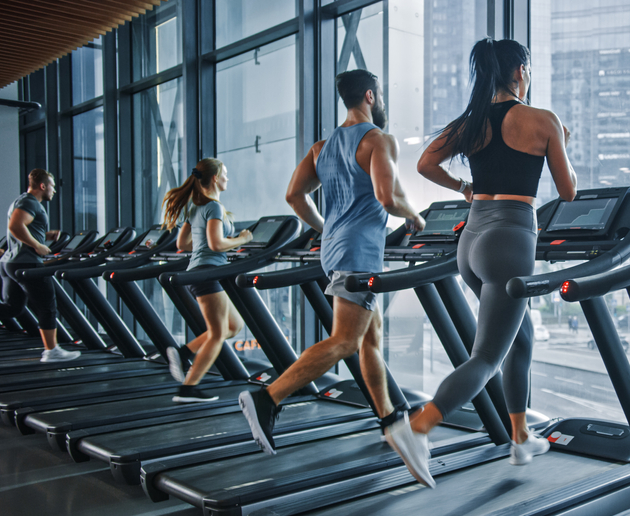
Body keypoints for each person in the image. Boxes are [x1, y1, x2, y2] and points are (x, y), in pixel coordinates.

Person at [383, 37, 577, 488]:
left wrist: (464, 188)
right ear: (518, 71)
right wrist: (561, 143)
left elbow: (426, 163)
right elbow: (568, 193)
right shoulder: (543, 120)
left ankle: (520, 436)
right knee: (488, 355)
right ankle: (417, 429)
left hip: (471, 241)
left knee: (519, 338)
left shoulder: (471, 123)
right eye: (525, 70)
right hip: (510, 238)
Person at [239, 69, 426, 455]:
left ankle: (390, 418)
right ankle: (267, 399)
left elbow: (294, 196)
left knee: (367, 338)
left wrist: (326, 228)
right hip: (359, 254)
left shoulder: (321, 148)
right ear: (371, 96)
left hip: (335, 251)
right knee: (344, 341)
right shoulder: (378, 140)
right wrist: (416, 217)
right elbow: (386, 196)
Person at [161, 158, 253, 403]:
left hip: (200, 270)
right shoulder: (213, 207)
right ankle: (188, 388)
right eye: (225, 174)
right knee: (217, 332)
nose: (227, 178)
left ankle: (183, 353)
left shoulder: (195, 206)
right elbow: (216, 244)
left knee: (234, 327)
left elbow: (182, 244)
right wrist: (242, 239)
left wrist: (208, 247)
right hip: (207, 272)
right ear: (215, 178)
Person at [0, 169, 80, 362]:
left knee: (12, 308)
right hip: (26, 262)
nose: (54, 191)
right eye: (52, 186)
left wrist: (45, 235)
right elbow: (15, 226)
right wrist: (38, 245)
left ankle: (52, 349)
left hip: (11, 262)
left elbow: (22, 228)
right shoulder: (29, 202)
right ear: (42, 186)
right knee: (48, 306)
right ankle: (52, 351)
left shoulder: (21, 201)